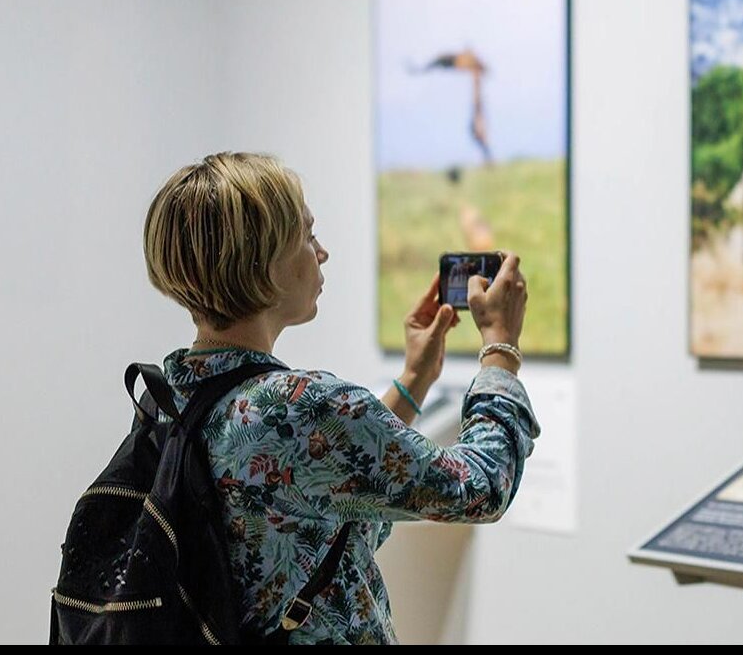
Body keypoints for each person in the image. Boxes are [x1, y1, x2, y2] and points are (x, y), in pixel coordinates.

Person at [142, 152, 538, 644]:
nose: (322, 252)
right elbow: (478, 489)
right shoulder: (299, 407)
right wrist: (501, 349)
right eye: (307, 235)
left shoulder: (173, 399)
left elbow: (335, 513)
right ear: (263, 262)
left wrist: (414, 379)